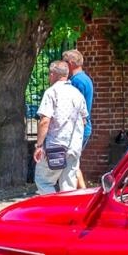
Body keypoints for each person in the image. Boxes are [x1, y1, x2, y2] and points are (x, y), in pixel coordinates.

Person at [33, 60, 88, 194]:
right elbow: (84, 120)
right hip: (74, 147)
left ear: (52, 74)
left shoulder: (52, 92)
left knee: (44, 181)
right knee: (68, 186)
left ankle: (52, 206)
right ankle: (67, 208)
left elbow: (45, 121)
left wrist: (39, 145)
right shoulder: (77, 94)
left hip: (55, 146)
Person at [63, 49, 94, 188]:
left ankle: (83, 192)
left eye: (65, 63)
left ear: (71, 63)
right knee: (73, 163)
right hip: (82, 127)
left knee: (72, 164)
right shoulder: (84, 78)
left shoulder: (77, 81)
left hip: (78, 128)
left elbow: (75, 107)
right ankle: (83, 191)